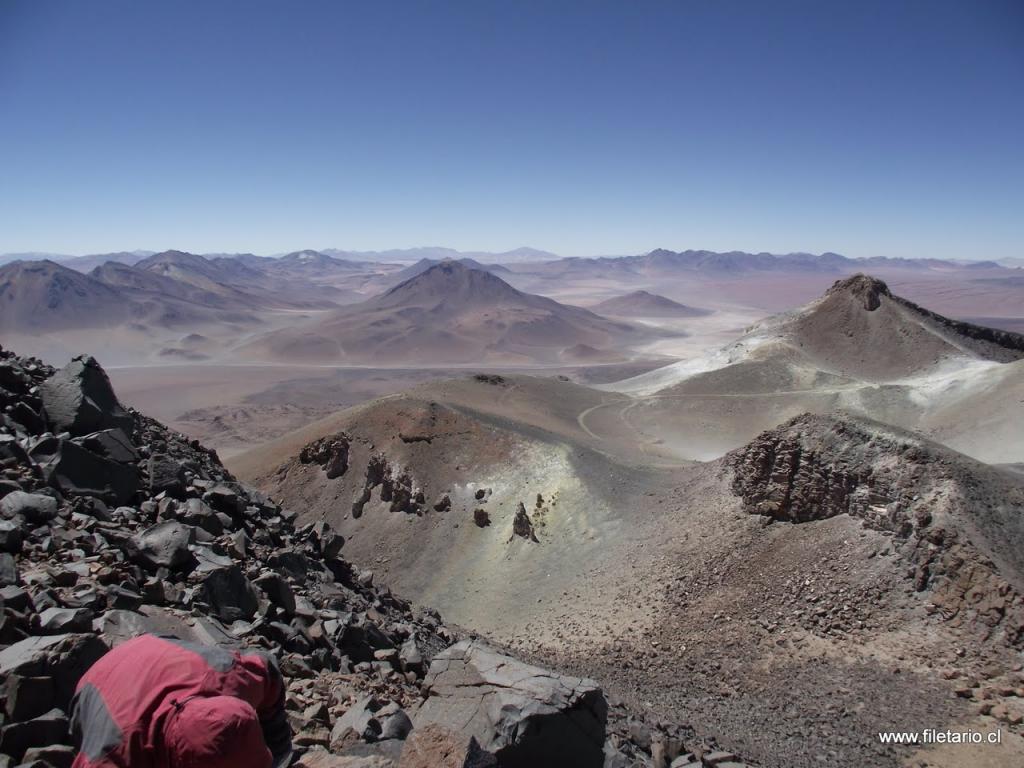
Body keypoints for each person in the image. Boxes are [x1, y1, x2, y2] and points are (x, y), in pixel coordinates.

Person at [70, 634, 292, 768]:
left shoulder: (232, 679)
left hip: (155, 647)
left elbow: (268, 671)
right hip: (98, 682)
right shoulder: (112, 755)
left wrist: (278, 746)